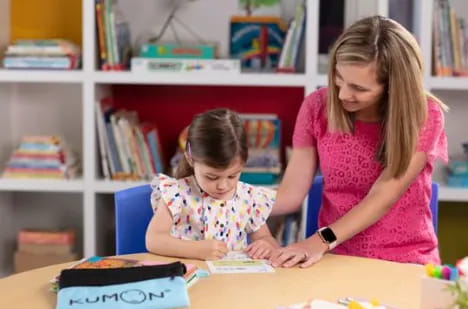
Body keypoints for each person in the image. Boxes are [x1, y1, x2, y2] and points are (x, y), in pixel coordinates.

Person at [269, 16, 448, 268]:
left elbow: (383, 195)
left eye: (359, 88)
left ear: (393, 87)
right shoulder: (316, 106)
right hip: (334, 258)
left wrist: (319, 241)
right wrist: (230, 200)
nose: (342, 94)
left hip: (404, 260)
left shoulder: (425, 115)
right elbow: (290, 194)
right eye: (338, 78)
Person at [146, 108, 279, 260]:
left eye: (232, 176)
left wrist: (267, 245)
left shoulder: (249, 198)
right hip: (190, 279)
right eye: (212, 177)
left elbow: (267, 240)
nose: (223, 185)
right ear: (190, 158)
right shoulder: (176, 194)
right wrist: (196, 250)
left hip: (234, 281)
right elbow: (153, 239)